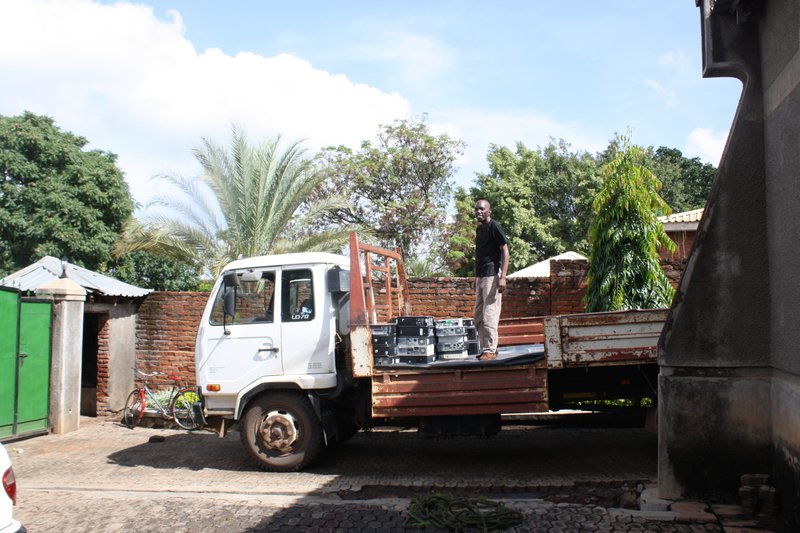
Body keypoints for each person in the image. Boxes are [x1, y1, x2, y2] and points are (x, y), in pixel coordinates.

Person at [473, 199, 509, 360]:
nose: (479, 211)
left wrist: (503, 277)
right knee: (478, 316)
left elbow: (505, 251)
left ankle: (490, 349)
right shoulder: (479, 229)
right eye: (477, 209)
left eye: (482, 209)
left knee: (489, 314)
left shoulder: (494, 226)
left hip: (492, 275)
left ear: (489, 211)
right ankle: (486, 348)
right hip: (480, 276)